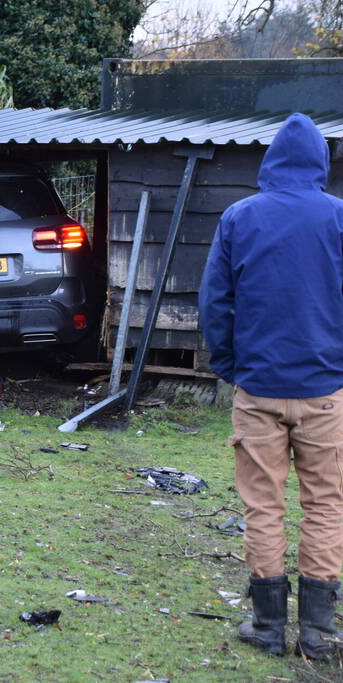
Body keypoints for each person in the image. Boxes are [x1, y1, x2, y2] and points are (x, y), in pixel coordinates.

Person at [200, 112, 343, 659]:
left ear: (269, 162)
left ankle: (266, 628)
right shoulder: (336, 218)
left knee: (263, 507)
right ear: (320, 164)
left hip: (258, 387)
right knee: (326, 506)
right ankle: (319, 632)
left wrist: (232, 365)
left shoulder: (240, 216)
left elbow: (215, 302)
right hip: (325, 388)